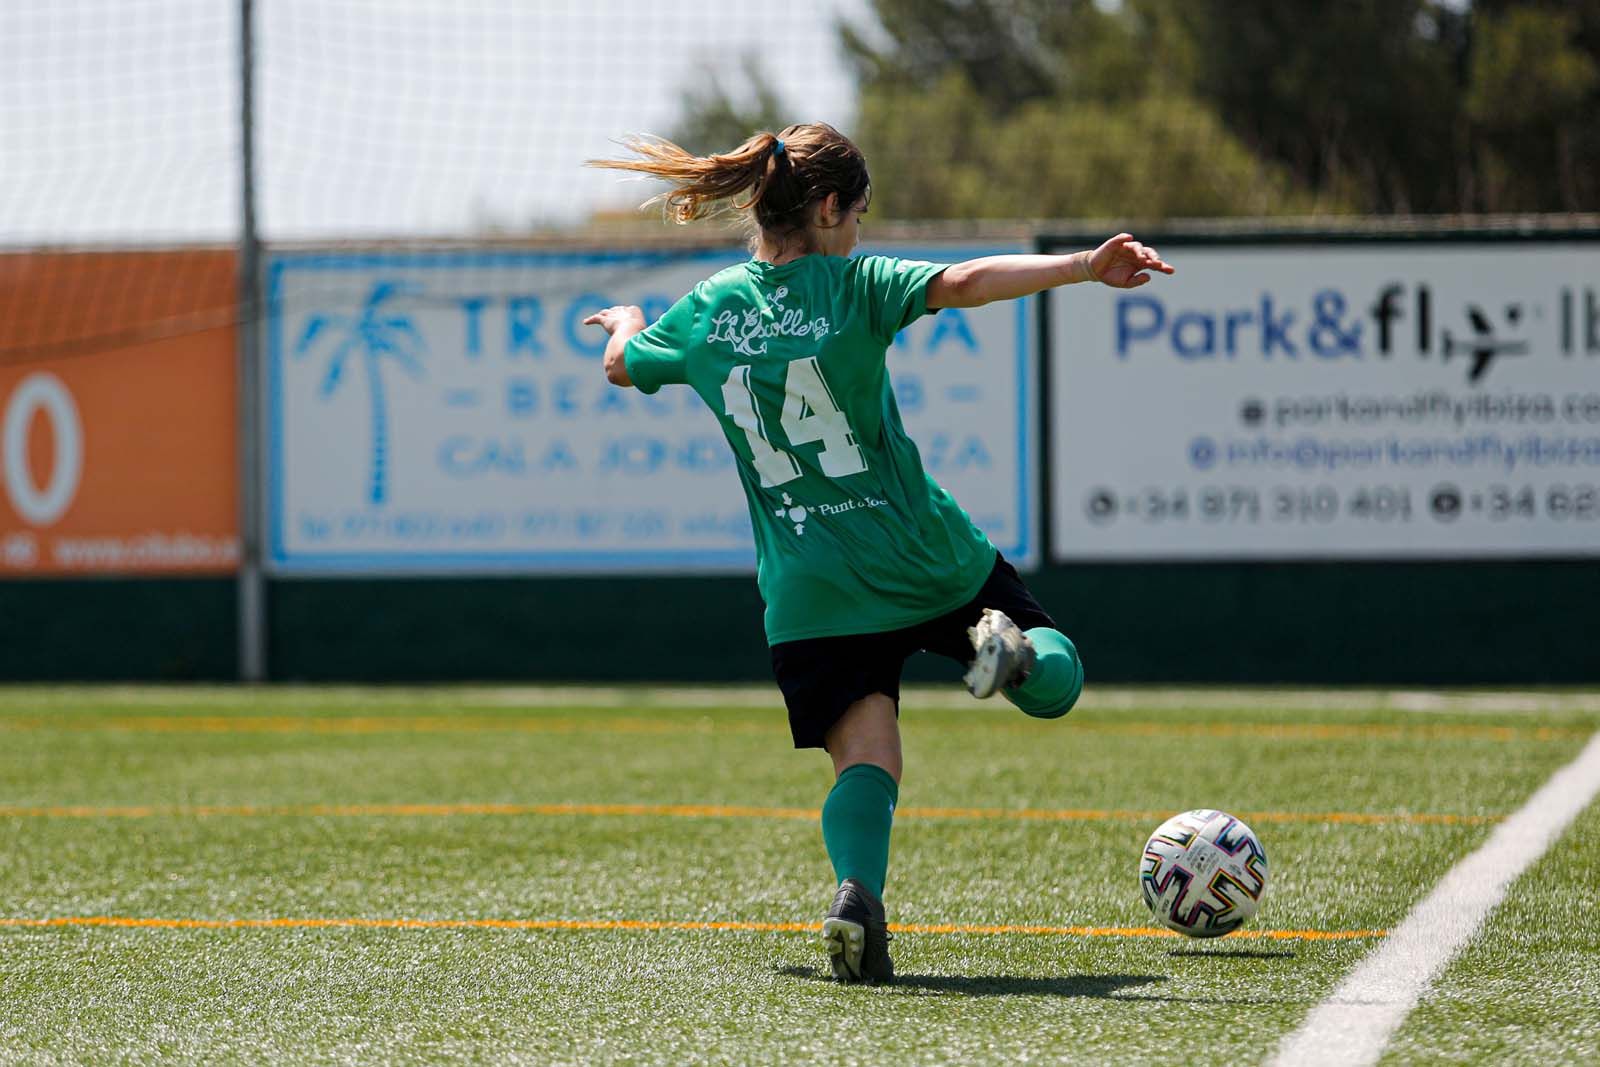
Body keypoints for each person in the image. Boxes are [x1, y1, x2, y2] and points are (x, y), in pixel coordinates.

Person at [584, 122, 1173, 984]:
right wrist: (1083, 265)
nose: (860, 230)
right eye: (858, 212)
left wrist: (633, 320)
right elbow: (966, 280)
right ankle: (1009, 659)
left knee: (868, 756)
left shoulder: (707, 310)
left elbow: (620, 366)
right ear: (828, 210)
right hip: (921, 558)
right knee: (1059, 675)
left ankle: (858, 890)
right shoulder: (853, 282)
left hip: (812, 592)